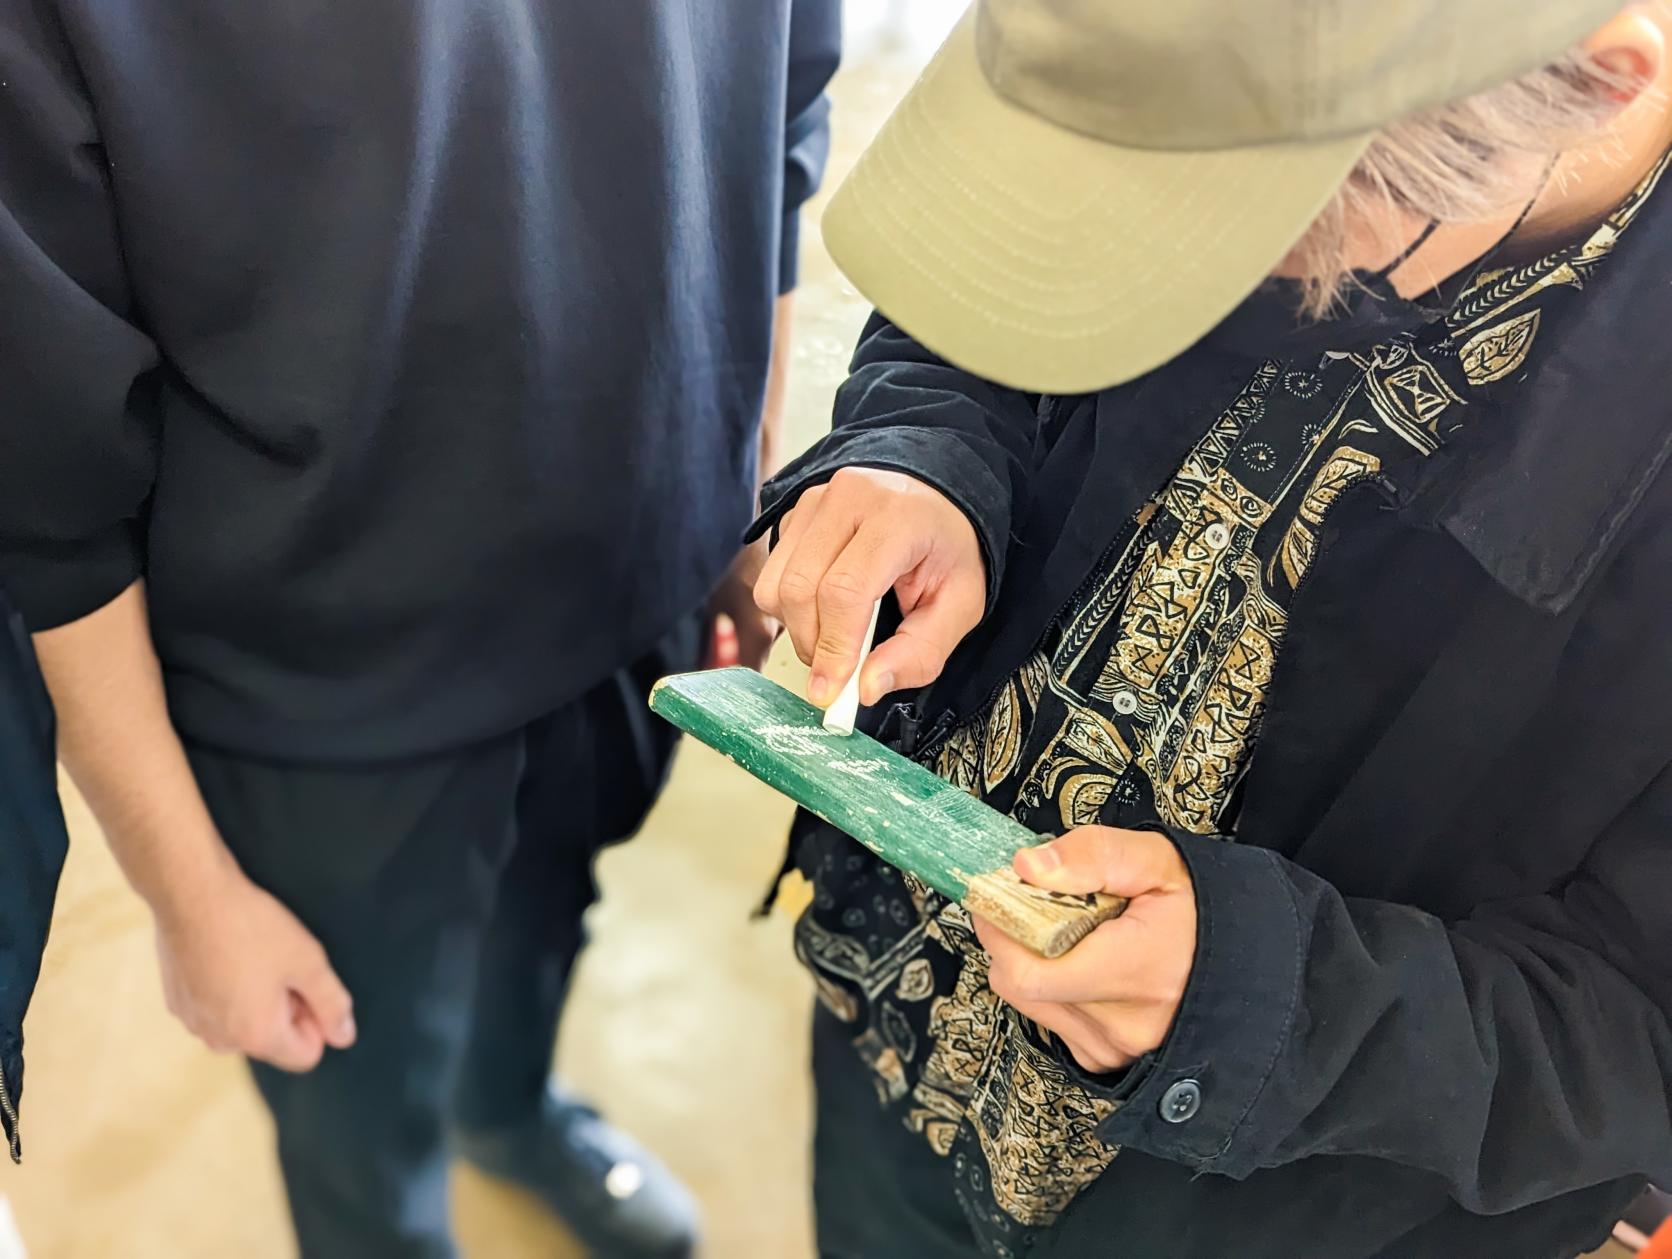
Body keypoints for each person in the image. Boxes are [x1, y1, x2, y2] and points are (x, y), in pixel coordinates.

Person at [751, 1, 1672, 1256]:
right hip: (894, 1002)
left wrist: (1271, 999)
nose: (1118, 261)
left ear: (1590, 84)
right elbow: (984, 294)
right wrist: (922, 450)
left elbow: (1636, 1034)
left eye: (1216, 239)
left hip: (1262, 1210)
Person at [0, 1, 839, 1255]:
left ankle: (507, 1114)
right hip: (320, 697)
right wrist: (189, 888)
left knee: (547, 927)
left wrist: (735, 493)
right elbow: (44, 476)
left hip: (637, 585)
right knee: (356, 1111)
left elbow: (778, 111)